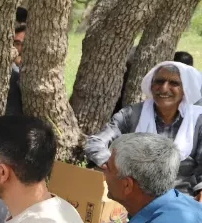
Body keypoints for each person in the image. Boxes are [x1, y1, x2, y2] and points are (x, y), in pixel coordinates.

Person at [86, 60, 202, 199]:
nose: (164, 88)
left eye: (174, 83)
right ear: (151, 85)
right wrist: (111, 166)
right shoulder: (132, 114)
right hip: (137, 198)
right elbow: (96, 142)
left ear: (185, 89)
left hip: (181, 198)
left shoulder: (197, 120)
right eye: (159, 81)